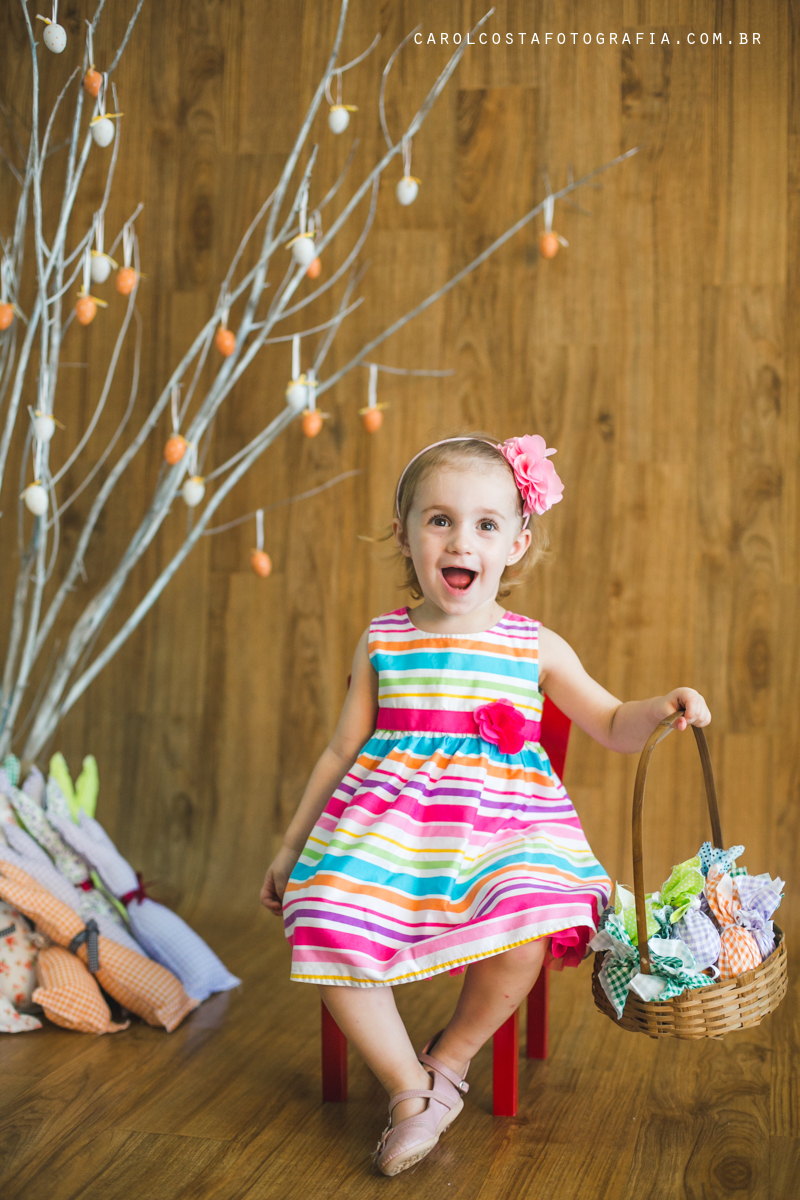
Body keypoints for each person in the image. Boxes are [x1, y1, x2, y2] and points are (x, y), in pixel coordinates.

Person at [260, 433, 711, 1176]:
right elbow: (341, 752)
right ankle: (409, 1092)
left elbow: (607, 721)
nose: (460, 538)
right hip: (391, 834)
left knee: (528, 922)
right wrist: (289, 849)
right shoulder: (383, 641)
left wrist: (661, 708)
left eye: (485, 524)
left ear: (517, 545)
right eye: (438, 520)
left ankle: (447, 1061)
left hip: (502, 835)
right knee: (321, 911)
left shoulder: (533, 645)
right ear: (404, 536)